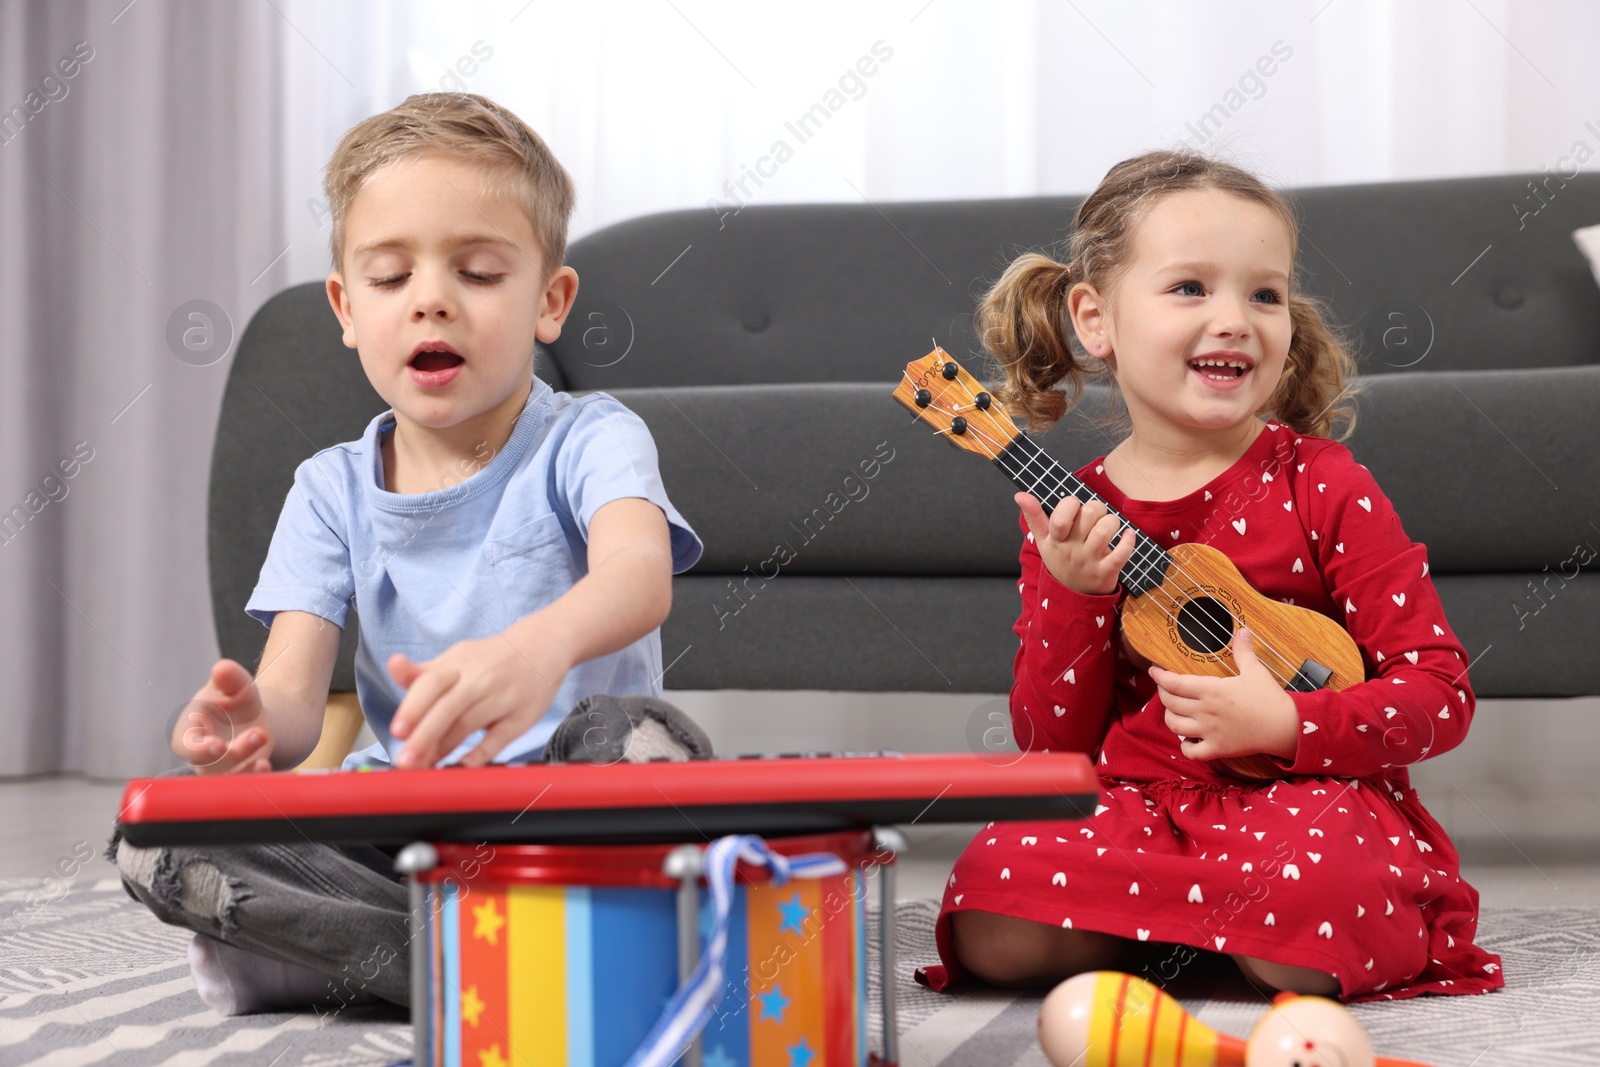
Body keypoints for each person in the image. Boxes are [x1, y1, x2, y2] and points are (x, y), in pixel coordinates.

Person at [110, 92, 703, 1015]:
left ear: (550, 300)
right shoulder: (327, 487)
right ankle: (507, 956)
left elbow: (640, 575)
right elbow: (297, 704)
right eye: (390, 278)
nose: (430, 298)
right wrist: (248, 735)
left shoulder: (594, 436)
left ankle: (377, 956)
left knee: (638, 737)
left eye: (475, 270)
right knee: (160, 840)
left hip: (582, 803)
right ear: (346, 308)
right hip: (412, 826)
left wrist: (538, 648)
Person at [917, 149, 1503, 1002]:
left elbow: (1442, 692)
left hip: (1308, 799)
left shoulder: (1323, 482)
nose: (1235, 319)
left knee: (1318, 900)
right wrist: (1075, 594)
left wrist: (1290, 721)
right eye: (1190, 288)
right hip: (1138, 807)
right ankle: (1208, 930)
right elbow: (1051, 748)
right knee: (988, 907)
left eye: (1264, 294)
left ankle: (1179, 932)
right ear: (1095, 319)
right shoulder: (1076, 513)